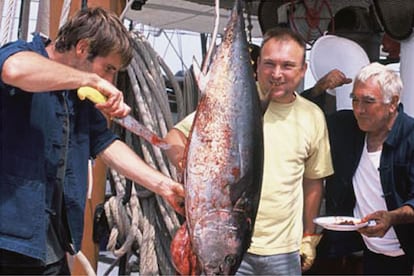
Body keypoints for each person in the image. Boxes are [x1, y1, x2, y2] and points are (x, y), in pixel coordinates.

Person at [0, 7, 184, 275]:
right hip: (8, 245)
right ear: (82, 47)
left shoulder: (80, 95)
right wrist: (91, 79)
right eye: (108, 69)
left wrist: (164, 186)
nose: (110, 80)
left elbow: (105, 144)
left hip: (49, 247)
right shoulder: (22, 54)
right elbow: (14, 70)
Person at [164, 27, 333, 275]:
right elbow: (173, 137)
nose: (277, 74)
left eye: (287, 65)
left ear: (303, 70)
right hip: (227, 246)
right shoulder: (231, 102)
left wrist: (309, 235)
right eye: (269, 64)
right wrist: (191, 167)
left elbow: (313, 182)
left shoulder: (312, 116)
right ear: (257, 65)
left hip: (283, 251)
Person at [321, 62, 414, 275]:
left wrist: (392, 217)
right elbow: (303, 115)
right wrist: (319, 88)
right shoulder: (346, 126)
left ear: (393, 103)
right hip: (366, 251)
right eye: (354, 99)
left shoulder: (411, 137)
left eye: (368, 101)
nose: (359, 110)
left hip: (407, 253)